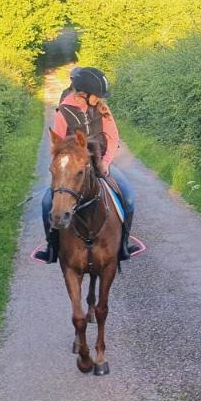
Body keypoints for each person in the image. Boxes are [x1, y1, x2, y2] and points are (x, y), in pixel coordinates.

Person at [35, 66, 136, 263]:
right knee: (47, 202)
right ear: (83, 93)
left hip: (100, 163)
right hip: (74, 169)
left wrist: (106, 162)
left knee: (129, 197)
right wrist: (66, 168)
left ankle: (123, 244)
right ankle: (52, 247)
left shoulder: (102, 108)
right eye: (97, 95)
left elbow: (113, 137)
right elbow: (57, 147)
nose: (100, 98)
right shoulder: (63, 112)